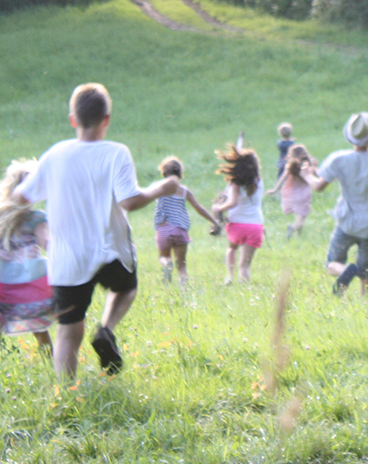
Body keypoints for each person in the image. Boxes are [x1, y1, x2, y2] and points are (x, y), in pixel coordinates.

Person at [16, 83, 181, 378]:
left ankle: (66, 393)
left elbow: (21, 197)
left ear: (72, 119)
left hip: (67, 260)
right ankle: (106, 329)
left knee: (68, 332)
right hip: (110, 253)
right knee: (126, 288)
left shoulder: (56, 154)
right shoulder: (116, 153)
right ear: (106, 119)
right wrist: (161, 188)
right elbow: (130, 201)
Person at [304, 112, 368, 297]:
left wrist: (307, 175)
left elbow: (319, 186)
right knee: (366, 272)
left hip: (346, 223)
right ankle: (367, 302)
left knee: (332, 264)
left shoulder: (338, 159)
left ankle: (346, 271)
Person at [0, 159, 53, 359]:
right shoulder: (36, 218)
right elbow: (46, 243)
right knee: (39, 326)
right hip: (26, 279)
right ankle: (50, 363)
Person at [153, 157, 220, 285]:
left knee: (164, 257)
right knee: (181, 265)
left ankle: (166, 266)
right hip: (180, 229)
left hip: (163, 229)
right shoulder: (184, 191)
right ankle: (184, 290)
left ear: (164, 172)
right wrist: (214, 221)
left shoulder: (159, 188)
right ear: (179, 173)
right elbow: (199, 208)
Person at [212, 145, 264, 286]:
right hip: (255, 226)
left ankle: (229, 276)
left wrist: (218, 208)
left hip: (237, 224)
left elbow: (233, 202)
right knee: (245, 266)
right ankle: (244, 288)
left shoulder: (235, 183)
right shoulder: (258, 182)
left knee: (232, 248)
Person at [267, 144, 314, 238]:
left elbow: (282, 178)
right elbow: (315, 175)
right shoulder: (306, 165)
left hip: (294, 195)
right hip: (304, 195)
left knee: (300, 217)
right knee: (301, 218)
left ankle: (299, 236)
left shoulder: (291, 166)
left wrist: (274, 190)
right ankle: (292, 228)